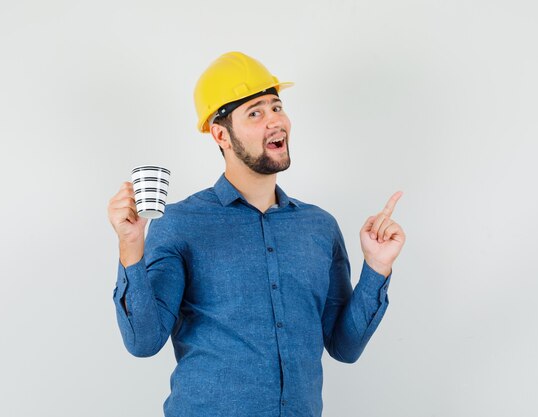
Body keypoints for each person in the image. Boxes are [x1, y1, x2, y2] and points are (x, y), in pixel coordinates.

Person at [107, 51, 406, 417]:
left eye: (277, 107)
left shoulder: (319, 227)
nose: (275, 121)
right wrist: (131, 246)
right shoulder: (180, 223)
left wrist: (376, 268)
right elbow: (143, 341)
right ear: (221, 134)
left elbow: (345, 346)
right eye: (255, 113)